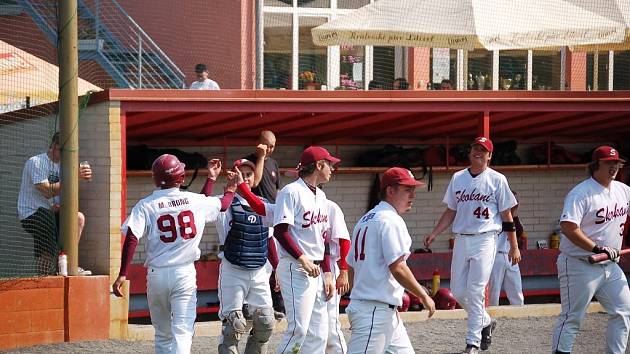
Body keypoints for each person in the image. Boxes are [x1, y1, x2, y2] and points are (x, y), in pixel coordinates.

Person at [112, 154, 237, 354]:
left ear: (155, 178)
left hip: (157, 274)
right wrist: (230, 188)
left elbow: (132, 237)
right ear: (180, 177)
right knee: (183, 332)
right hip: (184, 274)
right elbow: (222, 204)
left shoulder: (146, 204)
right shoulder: (193, 200)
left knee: (163, 334)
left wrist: (122, 274)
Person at [424, 137, 520, 354]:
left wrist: (514, 246)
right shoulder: (458, 177)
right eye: (475, 148)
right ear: (470, 152)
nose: (478, 152)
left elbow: (507, 215)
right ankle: (485, 320)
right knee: (458, 291)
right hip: (462, 238)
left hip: (486, 238)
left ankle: (472, 342)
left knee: (476, 291)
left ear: (490, 155)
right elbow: (451, 210)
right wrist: (435, 233)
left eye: (483, 150)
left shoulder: (497, 179)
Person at [346, 167, 436, 353]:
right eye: (407, 189)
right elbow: (398, 268)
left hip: (379, 309)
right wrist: (423, 294)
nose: (413, 195)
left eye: (413, 190)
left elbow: (352, 266)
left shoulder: (365, 219)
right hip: (374, 310)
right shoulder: (390, 219)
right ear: (390, 190)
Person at [551, 146, 630, 354]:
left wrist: (604, 251)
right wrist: (596, 248)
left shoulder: (623, 190)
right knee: (572, 317)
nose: (614, 166)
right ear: (596, 165)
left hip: (610, 266)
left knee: (623, 311)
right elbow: (568, 227)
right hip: (580, 264)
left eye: (616, 163)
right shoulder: (581, 193)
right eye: (608, 162)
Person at [208, 158, 279, 354]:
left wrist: (278, 270)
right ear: (233, 175)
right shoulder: (226, 203)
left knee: (266, 322)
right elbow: (203, 205)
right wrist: (213, 179)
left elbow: (270, 239)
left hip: (259, 269)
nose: (245, 178)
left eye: (249, 174)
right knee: (235, 324)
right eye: (242, 174)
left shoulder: (263, 204)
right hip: (233, 268)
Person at [273, 146, 338, 353]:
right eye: (329, 164)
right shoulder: (291, 191)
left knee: (318, 333)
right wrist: (302, 259)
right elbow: (280, 232)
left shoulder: (321, 196)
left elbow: (324, 238)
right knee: (298, 330)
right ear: (319, 165)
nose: (332, 168)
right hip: (296, 268)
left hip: (316, 269)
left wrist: (328, 272)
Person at [18, 132, 92, 275]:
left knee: (78, 218)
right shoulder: (36, 162)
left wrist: (80, 176)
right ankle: (45, 278)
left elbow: (65, 193)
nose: (66, 154)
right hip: (32, 212)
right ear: (54, 145)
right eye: (63, 150)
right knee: (47, 240)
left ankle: (69, 266)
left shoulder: (65, 165)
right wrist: (74, 177)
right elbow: (48, 191)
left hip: (52, 211)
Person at [244, 130, 284, 320]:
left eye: (273, 145)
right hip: (255, 217)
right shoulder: (250, 161)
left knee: (276, 260)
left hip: (273, 217)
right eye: (267, 145)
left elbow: (278, 190)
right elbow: (255, 182)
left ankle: (278, 303)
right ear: (258, 143)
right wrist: (260, 157)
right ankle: (255, 306)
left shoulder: (274, 163)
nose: (270, 149)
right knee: (263, 265)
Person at [488, 192, 524, 306]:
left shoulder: (513, 217)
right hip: (496, 255)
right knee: (493, 292)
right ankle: (490, 315)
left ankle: (519, 314)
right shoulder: (496, 216)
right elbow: (505, 228)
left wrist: (514, 214)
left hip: (511, 255)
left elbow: (519, 231)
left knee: (516, 289)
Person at [324, 199, 351, 353]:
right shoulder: (294, 201)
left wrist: (344, 271)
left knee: (330, 325)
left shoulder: (330, 207)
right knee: (312, 327)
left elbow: (344, 240)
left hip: (330, 267)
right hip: (304, 269)